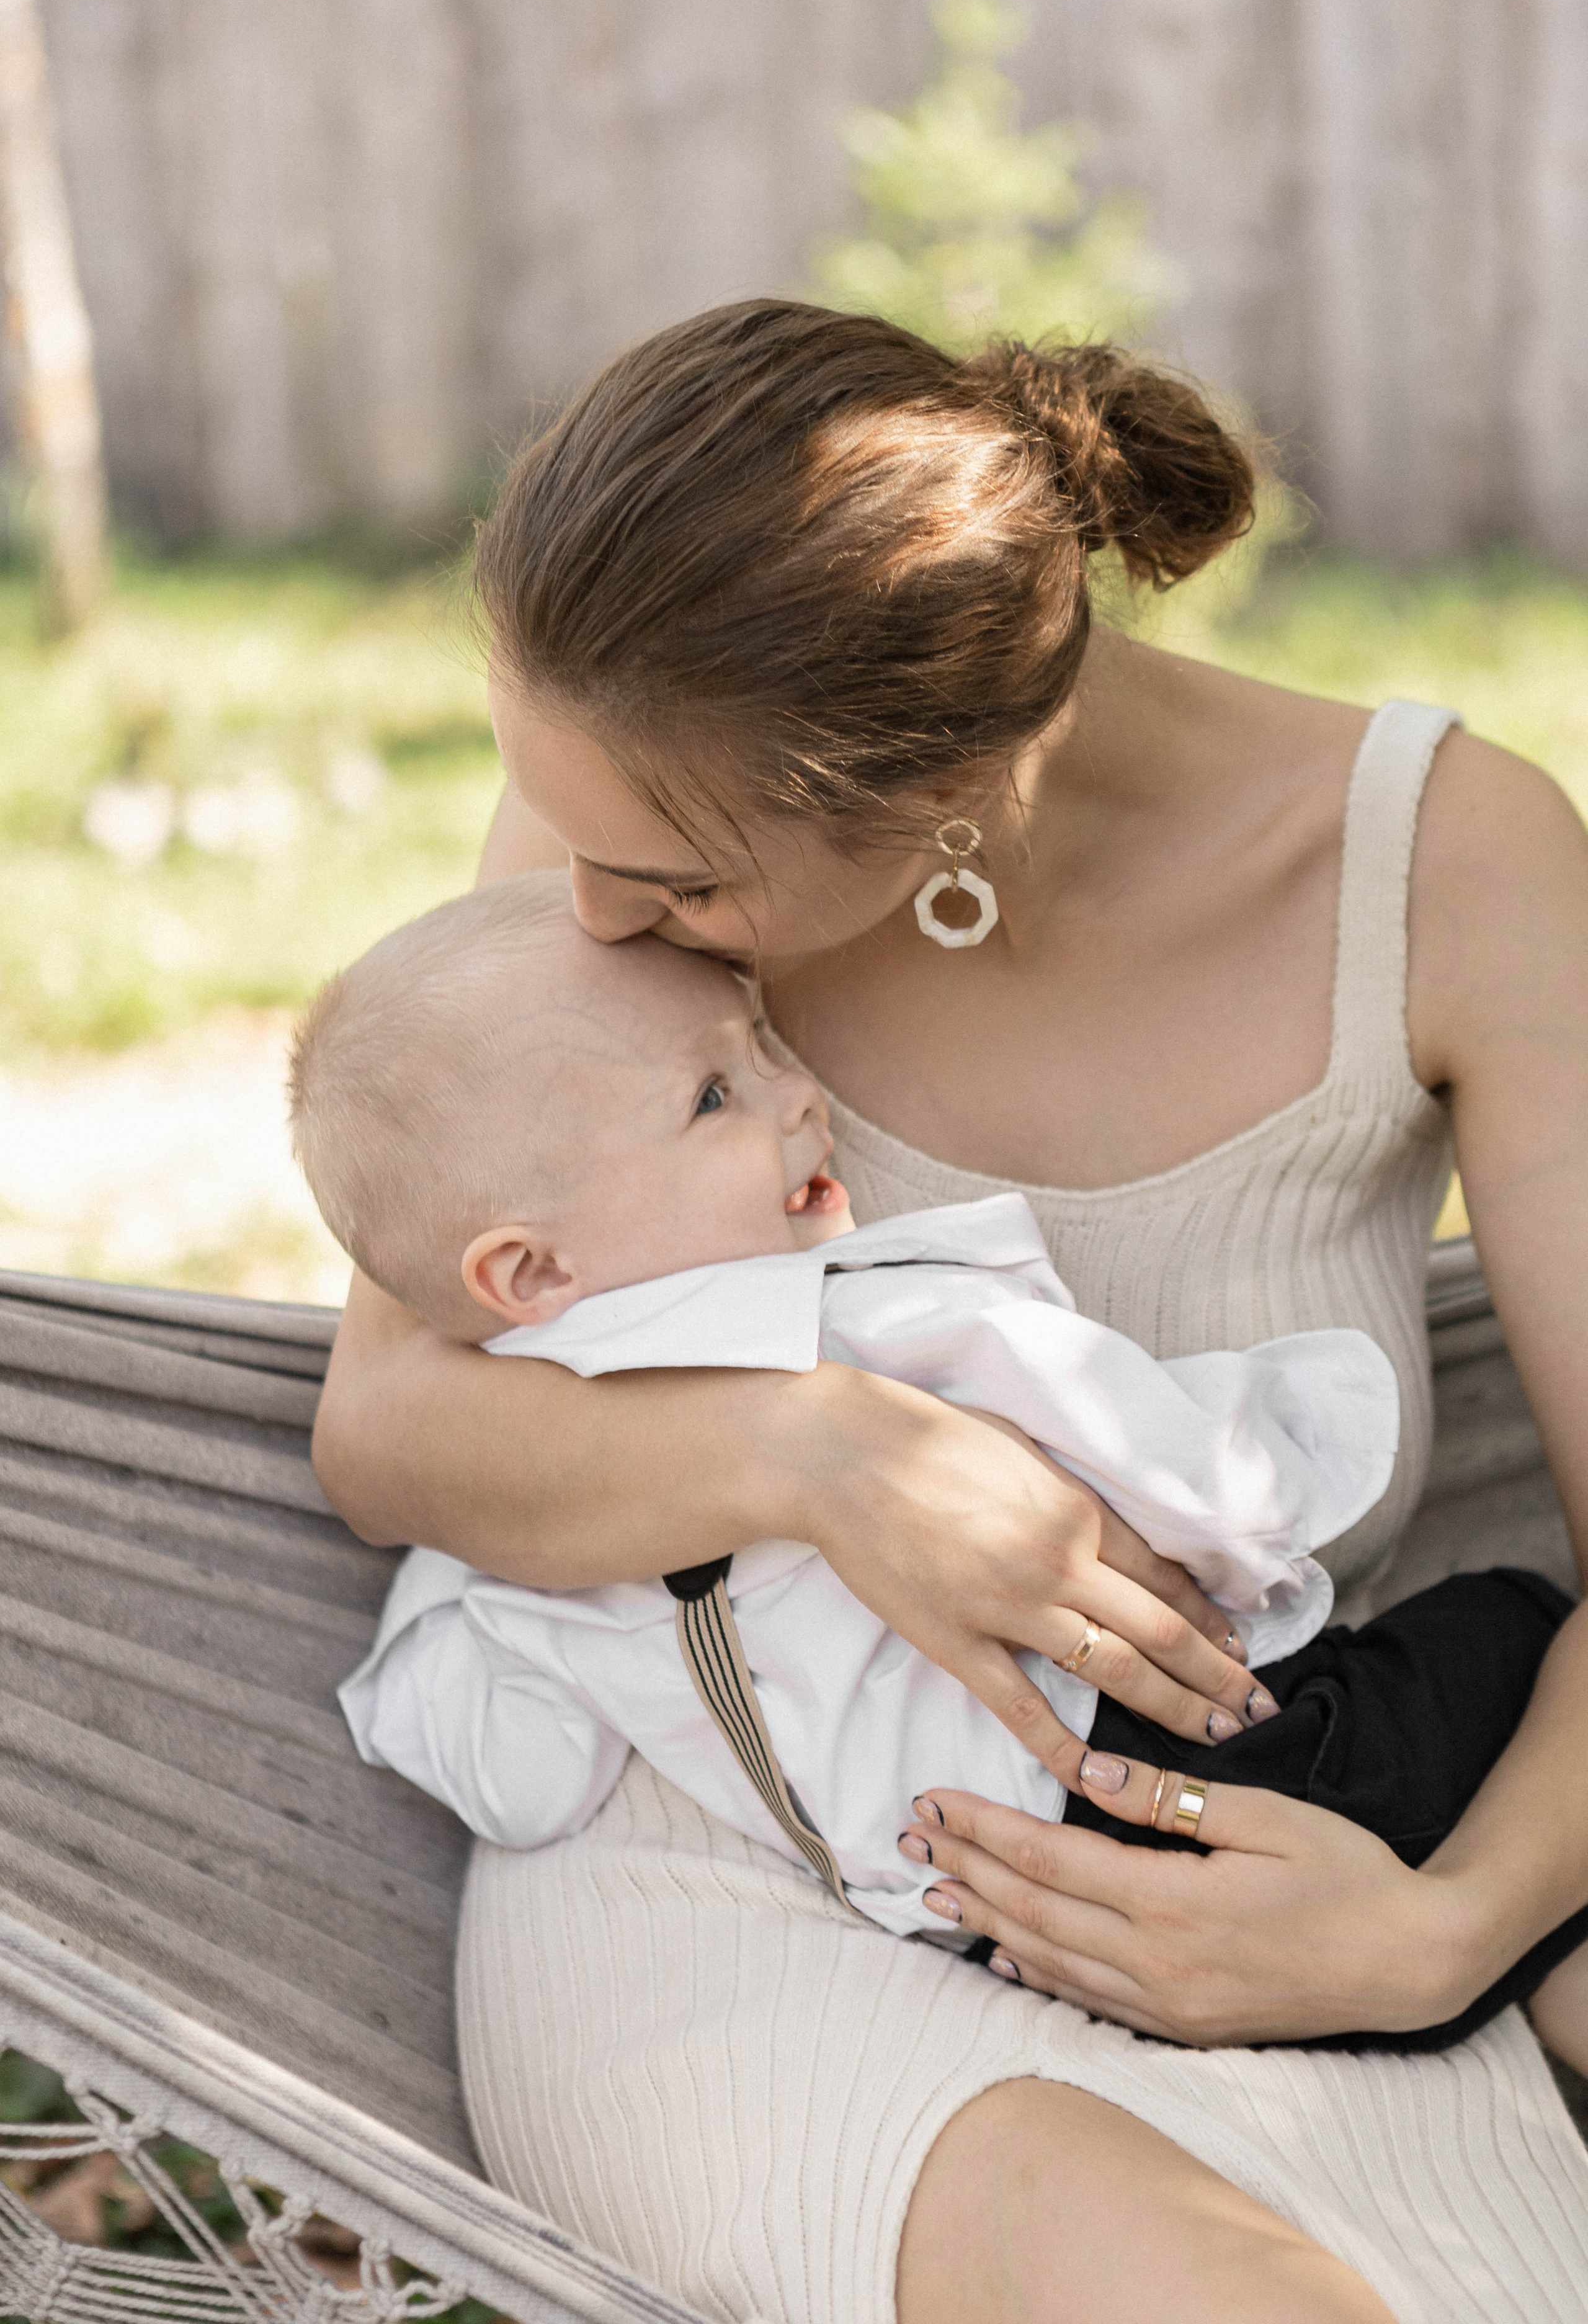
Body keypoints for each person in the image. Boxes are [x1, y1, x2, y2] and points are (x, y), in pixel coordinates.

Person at [311, 303, 1588, 2323]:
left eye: (672, 896)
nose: (587, 924)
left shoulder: (1461, 869)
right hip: (740, 1865)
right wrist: (825, 1452)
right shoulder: (635, 805)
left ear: (952, 810)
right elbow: (388, 1429)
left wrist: (1436, 1939)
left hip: (1273, 1841)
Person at [298, 874, 1584, 2055]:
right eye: (712, 1098)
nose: (797, 1097)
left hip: (1014, 1917)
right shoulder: (857, 1323)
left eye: (763, 1050)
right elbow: (1171, 1483)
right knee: (1510, 1628)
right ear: (528, 1271)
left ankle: (1501, 1978)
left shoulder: (511, 1525)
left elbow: (525, 1782)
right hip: (1218, 1772)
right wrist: (1276, 1467)